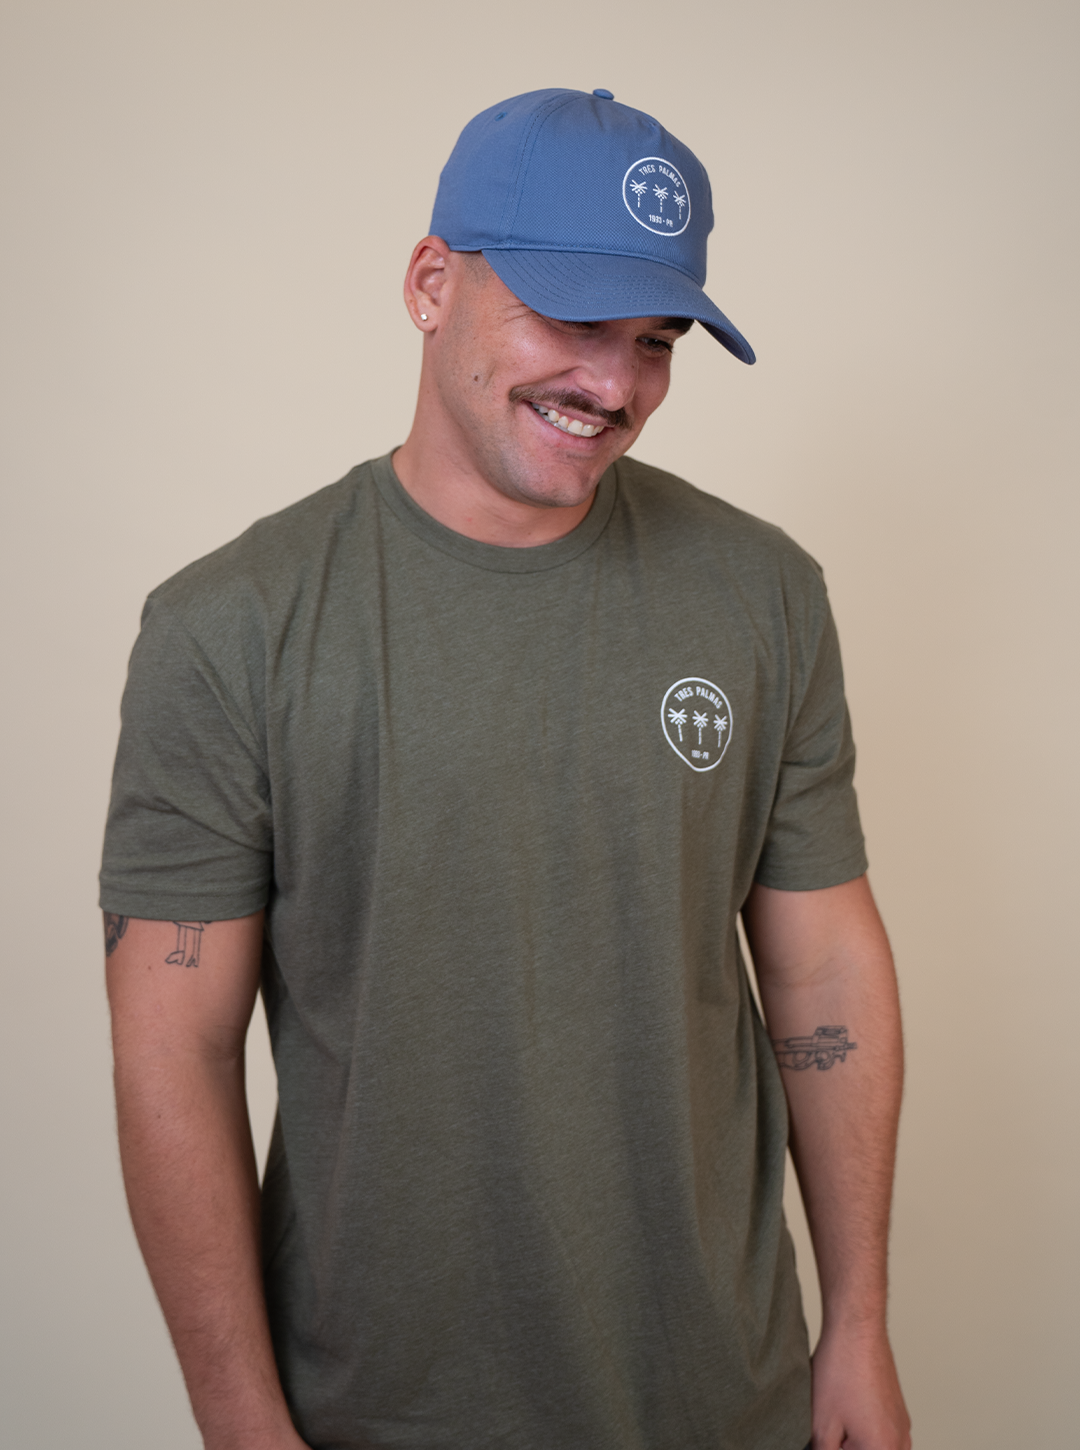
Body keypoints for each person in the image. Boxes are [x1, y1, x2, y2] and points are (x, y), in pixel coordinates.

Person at [101, 88, 911, 1450]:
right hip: (380, 1406)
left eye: (654, 340)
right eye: (573, 322)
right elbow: (171, 1049)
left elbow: (824, 968)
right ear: (431, 283)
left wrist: (861, 1326)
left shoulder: (764, 594)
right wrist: (242, 1425)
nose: (616, 386)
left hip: (729, 1393)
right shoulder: (231, 627)